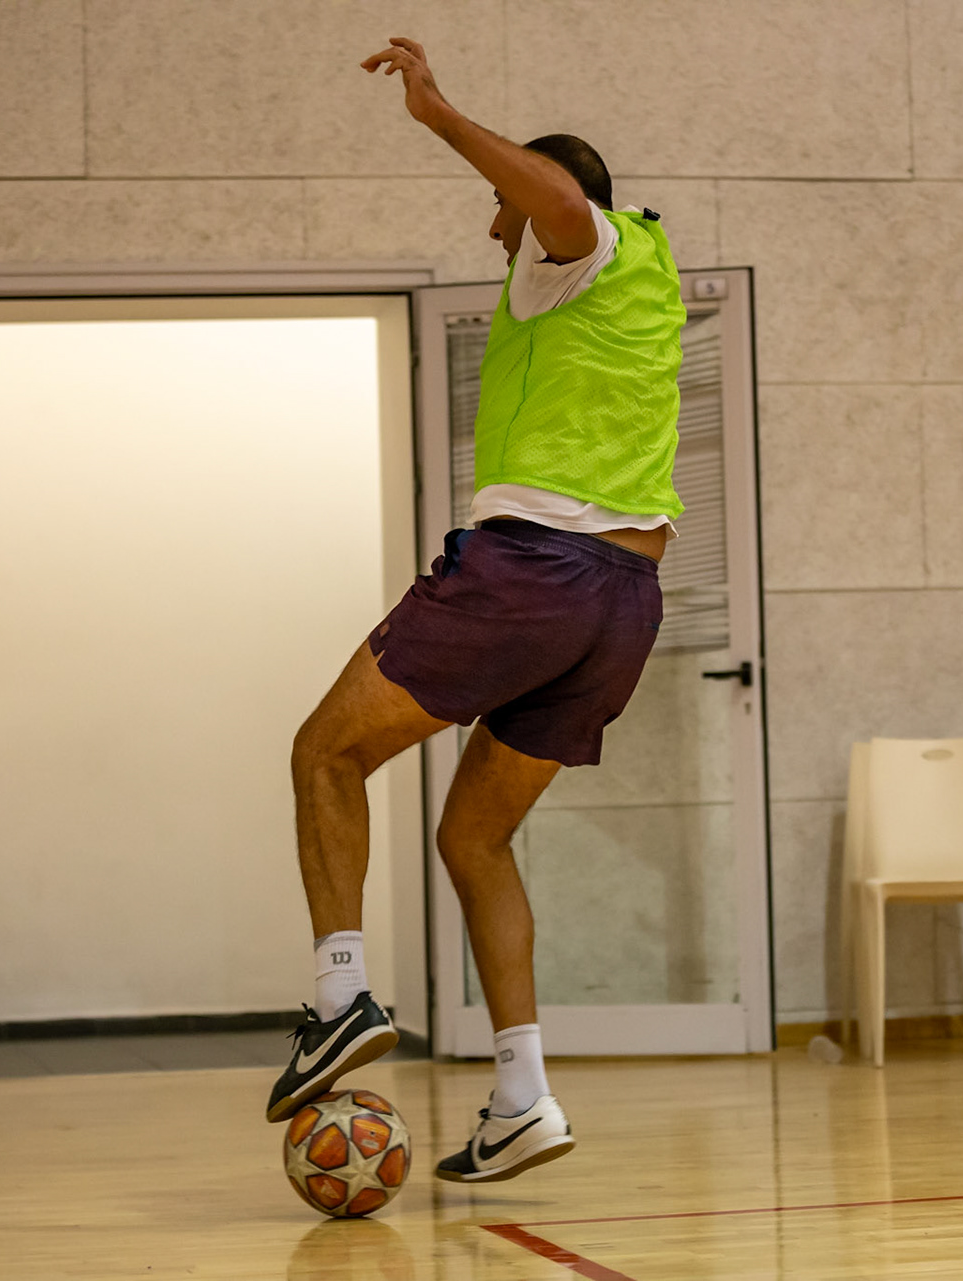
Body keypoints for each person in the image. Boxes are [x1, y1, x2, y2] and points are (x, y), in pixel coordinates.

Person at [263, 36, 686, 1186]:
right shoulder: (646, 274)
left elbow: (559, 202)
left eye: (500, 209)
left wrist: (439, 115)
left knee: (324, 754)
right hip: (623, 603)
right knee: (473, 836)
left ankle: (340, 1000)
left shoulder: (579, 246)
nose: (495, 230)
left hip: (537, 574)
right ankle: (522, 1096)